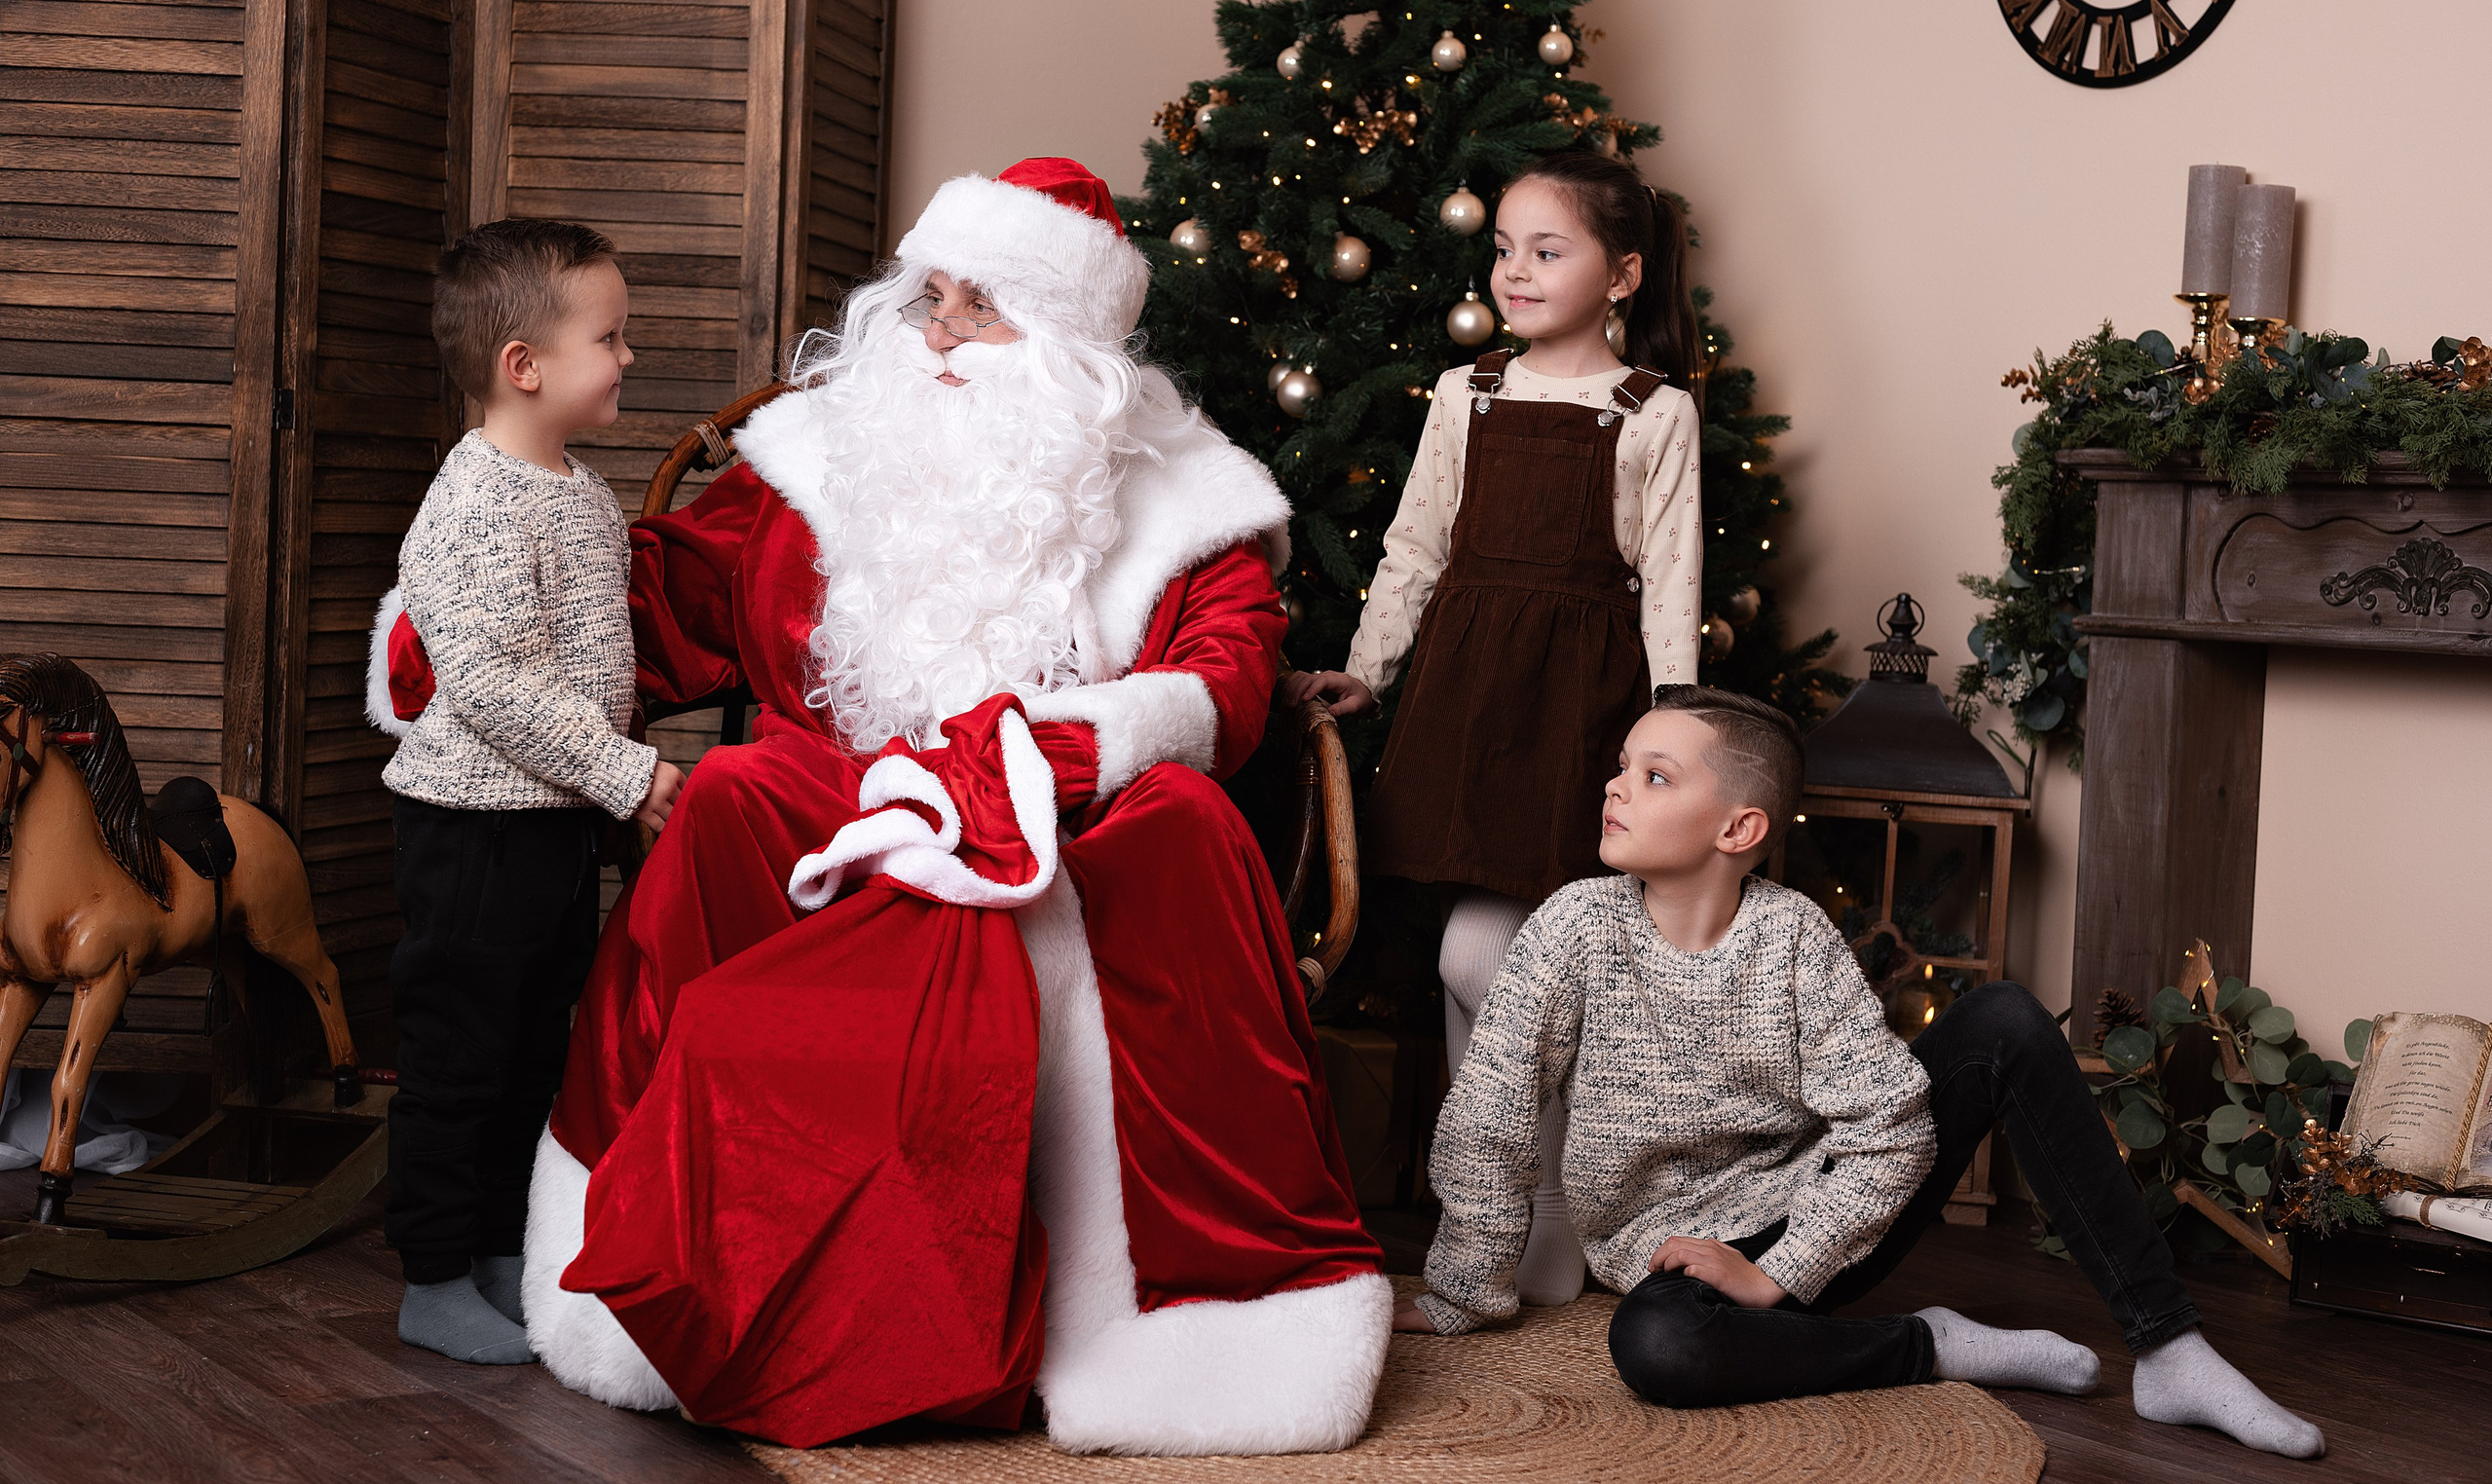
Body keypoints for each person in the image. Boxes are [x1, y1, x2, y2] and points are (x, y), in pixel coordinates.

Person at [490, 160, 1391, 1453]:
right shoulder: (826, 450)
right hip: (849, 802)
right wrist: (490, 619)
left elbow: (1225, 677)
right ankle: (653, 1272)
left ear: (1069, 337)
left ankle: (1179, 1327)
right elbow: (667, 599)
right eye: (933, 297)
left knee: (1182, 828)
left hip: (1067, 829)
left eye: (987, 305)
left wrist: (1046, 753)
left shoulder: (1192, 496)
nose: (944, 332)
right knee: (735, 787)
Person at [1397, 686, 2328, 1462]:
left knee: (2004, 1018)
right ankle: (1928, 1343)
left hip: (1821, 1220)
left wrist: (1782, 1268)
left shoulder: (1794, 936)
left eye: (1655, 775)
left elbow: (1892, 1125)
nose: (1616, 787)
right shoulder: (1571, 927)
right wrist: (1463, 1288)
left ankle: (2170, 1347)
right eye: (1622, 766)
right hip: (1667, 1260)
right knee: (1658, 1342)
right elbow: (1490, 1113)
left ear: (1739, 826)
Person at [1284, 149, 1702, 1306]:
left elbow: (1671, 579)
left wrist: (1668, 736)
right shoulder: (1464, 392)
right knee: (1483, 960)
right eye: (1504, 248)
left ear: (1620, 275)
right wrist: (1369, 668)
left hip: (1578, 709)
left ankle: (1536, 1212)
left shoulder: (1651, 410)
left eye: (1546, 250)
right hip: (1468, 697)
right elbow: (1416, 546)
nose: (1514, 270)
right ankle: (1512, 1215)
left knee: (1491, 959)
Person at [372, 219, 685, 1366]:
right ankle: (433, 1273)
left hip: (549, 826)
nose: (629, 355)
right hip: (471, 828)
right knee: (459, 1052)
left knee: (530, 1046)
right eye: (611, 336)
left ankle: (502, 1246)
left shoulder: (581, 493)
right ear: (525, 365)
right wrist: (626, 773)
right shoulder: (476, 502)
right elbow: (495, 682)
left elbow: (591, 659)